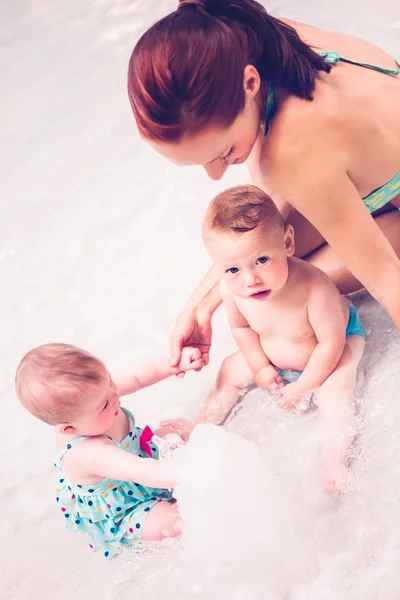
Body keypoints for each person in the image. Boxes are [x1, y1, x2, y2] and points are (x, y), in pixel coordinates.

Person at [127, 0, 400, 369]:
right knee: (261, 261)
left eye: (223, 152)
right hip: (381, 167)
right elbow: (266, 217)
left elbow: (385, 277)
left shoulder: (291, 149)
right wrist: (200, 306)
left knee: (283, 288)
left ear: (250, 82)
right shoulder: (251, 35)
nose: (217, 175)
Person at [169, 185, 366, 493]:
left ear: (287, 243)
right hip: (275, 352)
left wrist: (305, 385)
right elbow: (243, 330)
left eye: (262, 260)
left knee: (339, 387)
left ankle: (334, 458)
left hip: (332, 346)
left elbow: (331, 343)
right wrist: (260, 367)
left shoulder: (315, 288)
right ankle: (201, 427)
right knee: (230, 371)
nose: (250, 279)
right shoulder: (231, 291)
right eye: (233, 269)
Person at [15, 343, 198, 558]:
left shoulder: (98, 394)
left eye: (110, 380)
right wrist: (189, 473)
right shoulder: (87, 452)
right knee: (172, 522)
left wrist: (174, 365)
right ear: (69, 428)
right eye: (104, 405)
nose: (115, 395)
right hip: (125, 506)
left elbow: (137, 377)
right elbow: (136, 468)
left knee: (174, 431)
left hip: (138, 457)